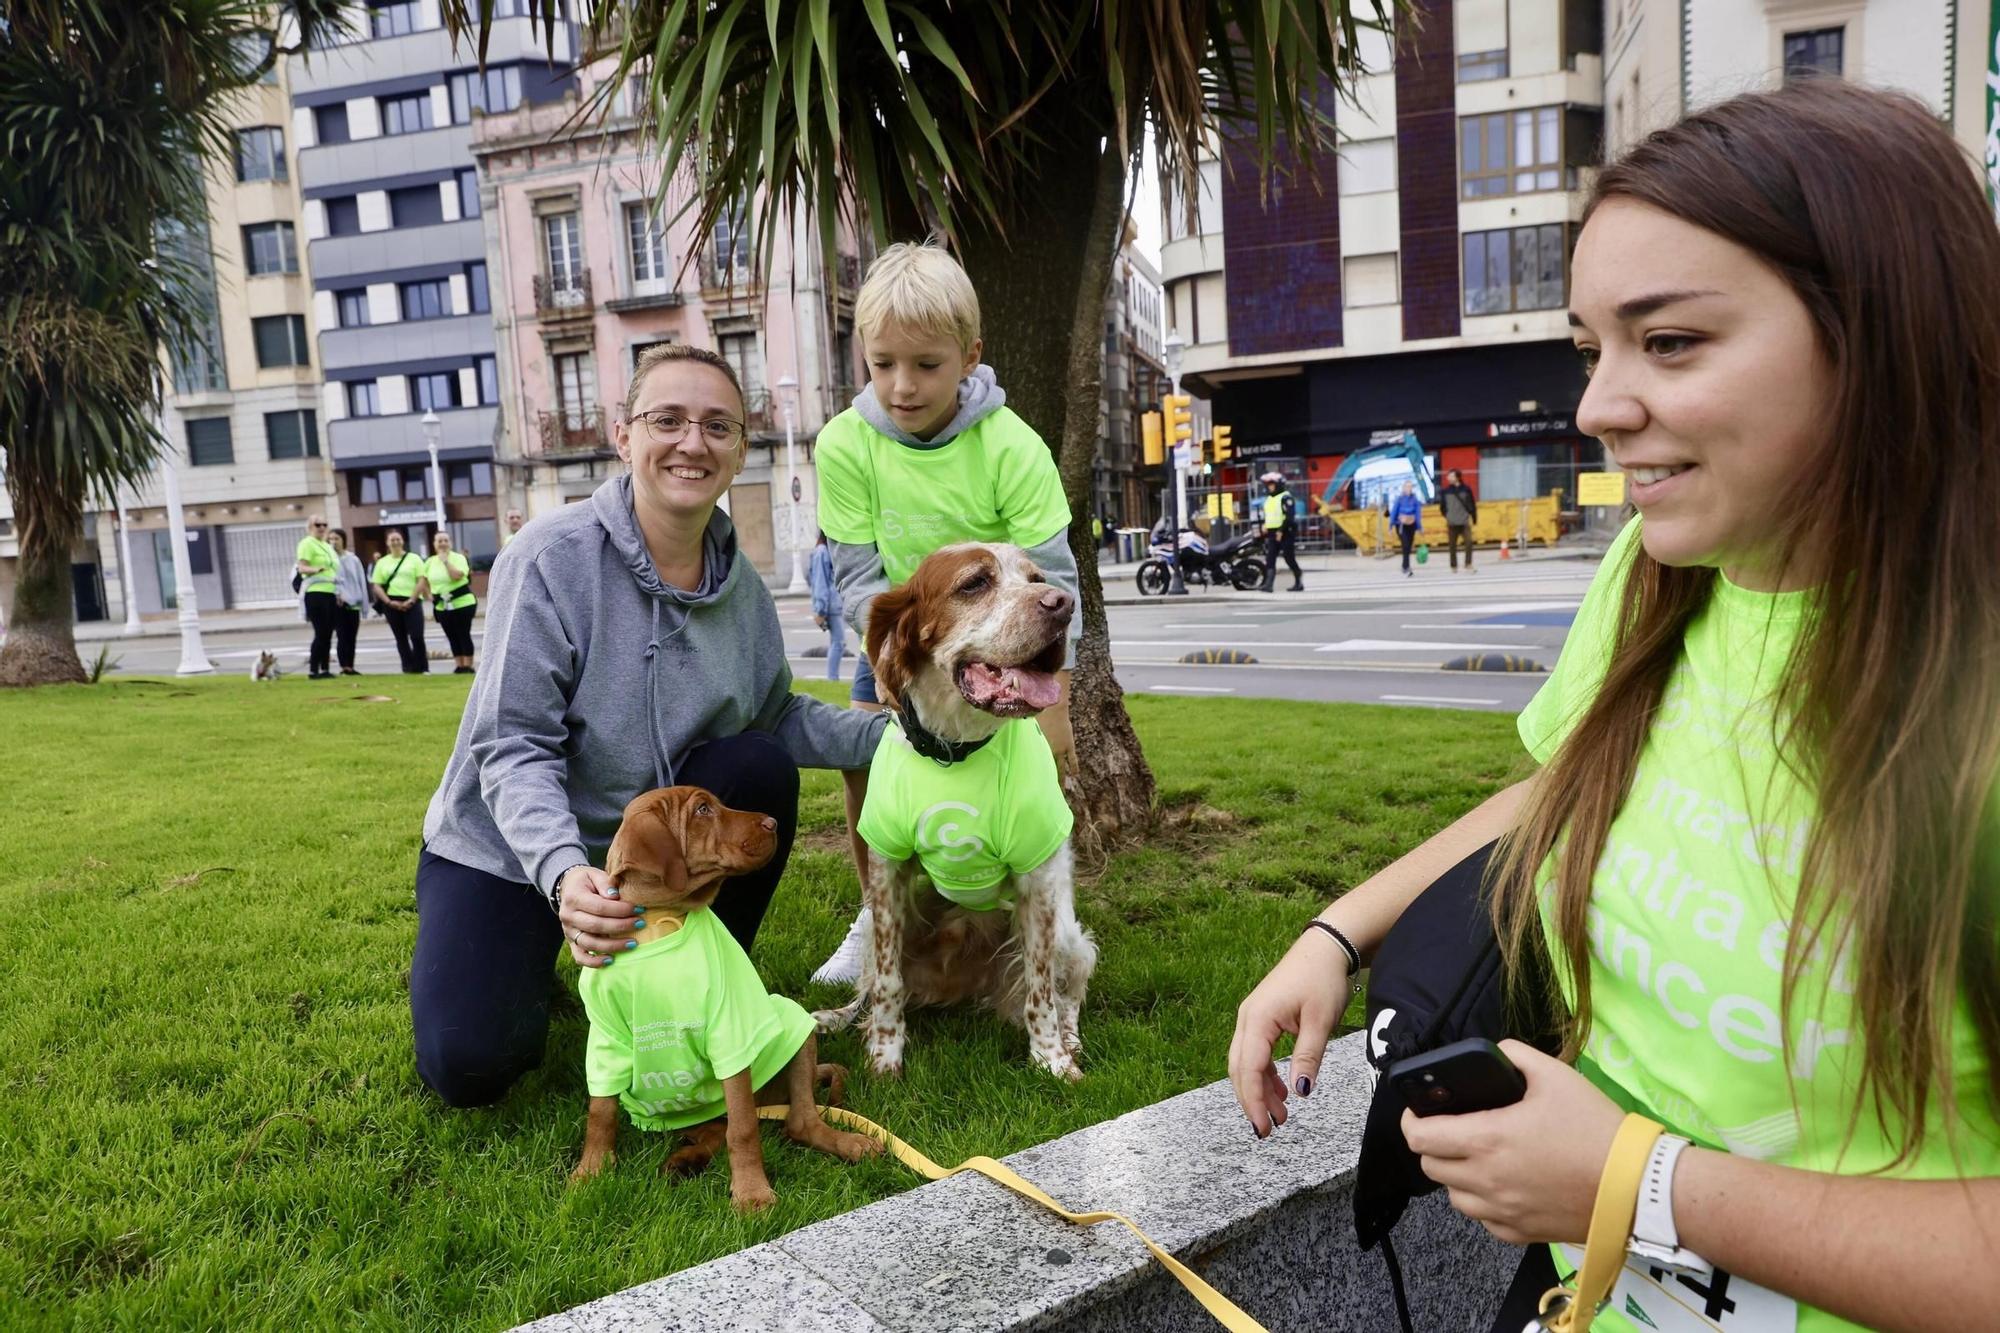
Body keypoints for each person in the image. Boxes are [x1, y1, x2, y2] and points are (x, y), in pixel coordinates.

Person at [1228, 81, 2000, 1333]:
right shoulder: (1656, 572)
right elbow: (1573, 784)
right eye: (1592, 348)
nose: (1594, 408)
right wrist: (1336, 934)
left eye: (1672, 341)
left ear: (1883, 331)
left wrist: (1638, 1181)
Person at [411, 343, 886, 1108]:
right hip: (508, 848)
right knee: (470, 1061)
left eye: (718, 426)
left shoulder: (743, 593)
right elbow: (513, 746)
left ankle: (692, 988)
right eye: (668, 419)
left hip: (653, 848)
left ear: (738, 451)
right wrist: (567, 874)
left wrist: (902, 737)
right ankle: (527, 956)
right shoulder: (549, 559)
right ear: (625, 436)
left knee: (758, 764)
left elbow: (778, 717)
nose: (692, 442)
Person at [810, 238, 1078, 986]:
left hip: (1000, 637)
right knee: (868, 770)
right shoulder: (843, 443)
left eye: (927, 365)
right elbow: (859, 572)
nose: (901, 385)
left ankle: (1026, 903)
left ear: (970, 355)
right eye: (882, 362)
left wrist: (1056, 705)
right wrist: (889, 671)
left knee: (1026, 771)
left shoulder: (1012, 445)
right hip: (902, 637)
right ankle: (876, 910)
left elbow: (1055, 578)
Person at [418, 530, 477, 675]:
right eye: (439, 541)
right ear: (434, 544)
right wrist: (429, 595)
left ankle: (468, 665)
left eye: (445, 540)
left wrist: (445, 561)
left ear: (450, 543)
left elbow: (457, 576)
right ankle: (459, 665)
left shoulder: (459, 558)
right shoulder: (430, 562)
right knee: (451, 636)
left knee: (463, 634)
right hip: (442, 605)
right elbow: (424, 580)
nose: (443, 543)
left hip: (462, 603)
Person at [370, 530, 429, 674]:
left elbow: (421, 580)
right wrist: (389, 602)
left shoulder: (414, 558)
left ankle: (422, 667)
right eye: (392, 540)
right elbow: (377, 585)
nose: (395, 542)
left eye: (398, 539)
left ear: (403, 541)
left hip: (412, 601)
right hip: (391, 602)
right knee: (401, 638)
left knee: (417, 635)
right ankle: (408, 667)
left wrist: (412, 599)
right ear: (387, 543)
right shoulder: (382, 562)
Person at [294, 515, 339, 680]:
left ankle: (325, 668)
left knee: (328, 632)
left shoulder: (327, 546)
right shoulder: (307, 543)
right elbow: (302, 567)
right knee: (320, 632)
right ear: (310, 527)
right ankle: (313, 669)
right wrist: (316, 569)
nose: (321, 527)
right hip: (315, 591)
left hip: (330, 591)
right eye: (317, 524)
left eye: (324, 525)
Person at [329, 528, 368, 675]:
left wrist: (364, 605)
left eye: (337, 539)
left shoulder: (353, 559)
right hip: (338, 603)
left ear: (343, 540)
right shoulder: (329, 560)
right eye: (331, 539)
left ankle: (350, 665)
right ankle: (344, 665)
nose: (334, 542)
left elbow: (360, 581)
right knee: (342, 635)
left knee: (352, 635)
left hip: (354, 602)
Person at [1257, 471, 1303, 592]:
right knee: (1270, 558)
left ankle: (1299, 582)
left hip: (1285, 532)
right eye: (1268, 484)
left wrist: (1281, 531)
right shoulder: (1269, 499)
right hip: (1272, 532)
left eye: (1272, 484)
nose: (1269, 487)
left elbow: (1289, 516)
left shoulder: (1286, 497)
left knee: (1289, 558)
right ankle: (1269, 584)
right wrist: (1265, 525)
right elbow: (1269, 515)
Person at [808, 530, 844, 682]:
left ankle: (832, 678)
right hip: (830, 605)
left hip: (833, 604)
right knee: (838, 642)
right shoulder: (822, 552)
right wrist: (820, 610)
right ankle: (832, 679)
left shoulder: (824, 551)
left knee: (837, 642)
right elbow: (820, 583)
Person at [1439, 468, 1478, 573]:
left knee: (1469, 543)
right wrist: (1448, 516)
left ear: (1457, 477)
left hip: (1464, 521)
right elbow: (1442, 507)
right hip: (1452, 522)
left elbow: (1472, 504)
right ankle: (1453, 566)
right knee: (1452, 545)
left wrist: (1474, 518)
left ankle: (1468, 563)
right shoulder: (1445, 491)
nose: (1448, 478)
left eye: (1451, 476)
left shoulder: (1466, 489)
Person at [1388, 480, 1422, 577]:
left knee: (1409, 546)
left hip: (1411, 525)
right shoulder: (1399, 499)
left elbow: (1418, 514)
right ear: (1403, 488)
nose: (1409, 488)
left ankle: (1405, 565)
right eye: (1407, 486)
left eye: (1410, 487)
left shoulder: (1415, 500)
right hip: (1401, 525)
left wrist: (1419, 527)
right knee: (1405, 544)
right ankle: (1406, 566)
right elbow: (1394, 511)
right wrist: (1390, 525)